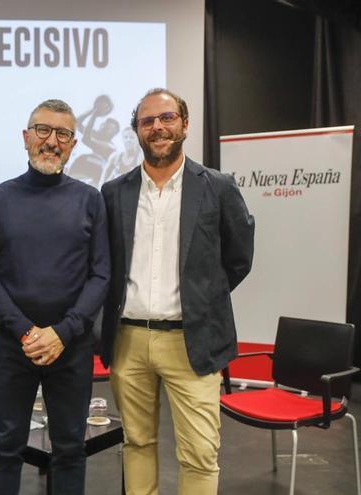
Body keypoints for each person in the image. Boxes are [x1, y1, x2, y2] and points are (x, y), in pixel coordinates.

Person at [100, 88, 254, 495]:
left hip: (193, 340)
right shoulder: (114, 192)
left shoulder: (218, 187)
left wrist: (201, 299)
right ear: (137, 131)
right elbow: (107, 266)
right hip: (128, 341)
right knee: (136, 443)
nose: (158, 128)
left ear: (184, 124)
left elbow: (239, 259)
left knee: (200, 454)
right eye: (148, 121)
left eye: (166, 118)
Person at [0, 99, 110, 495]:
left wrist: (63, 332)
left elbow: (101, 274)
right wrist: (26, 331)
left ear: (73, 144)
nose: (51, 141)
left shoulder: (90, 199)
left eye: (62, 134)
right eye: (43, 130)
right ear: (26, 137)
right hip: (11, 346)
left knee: (69, 448)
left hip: (71, 346)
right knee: (6, 445)